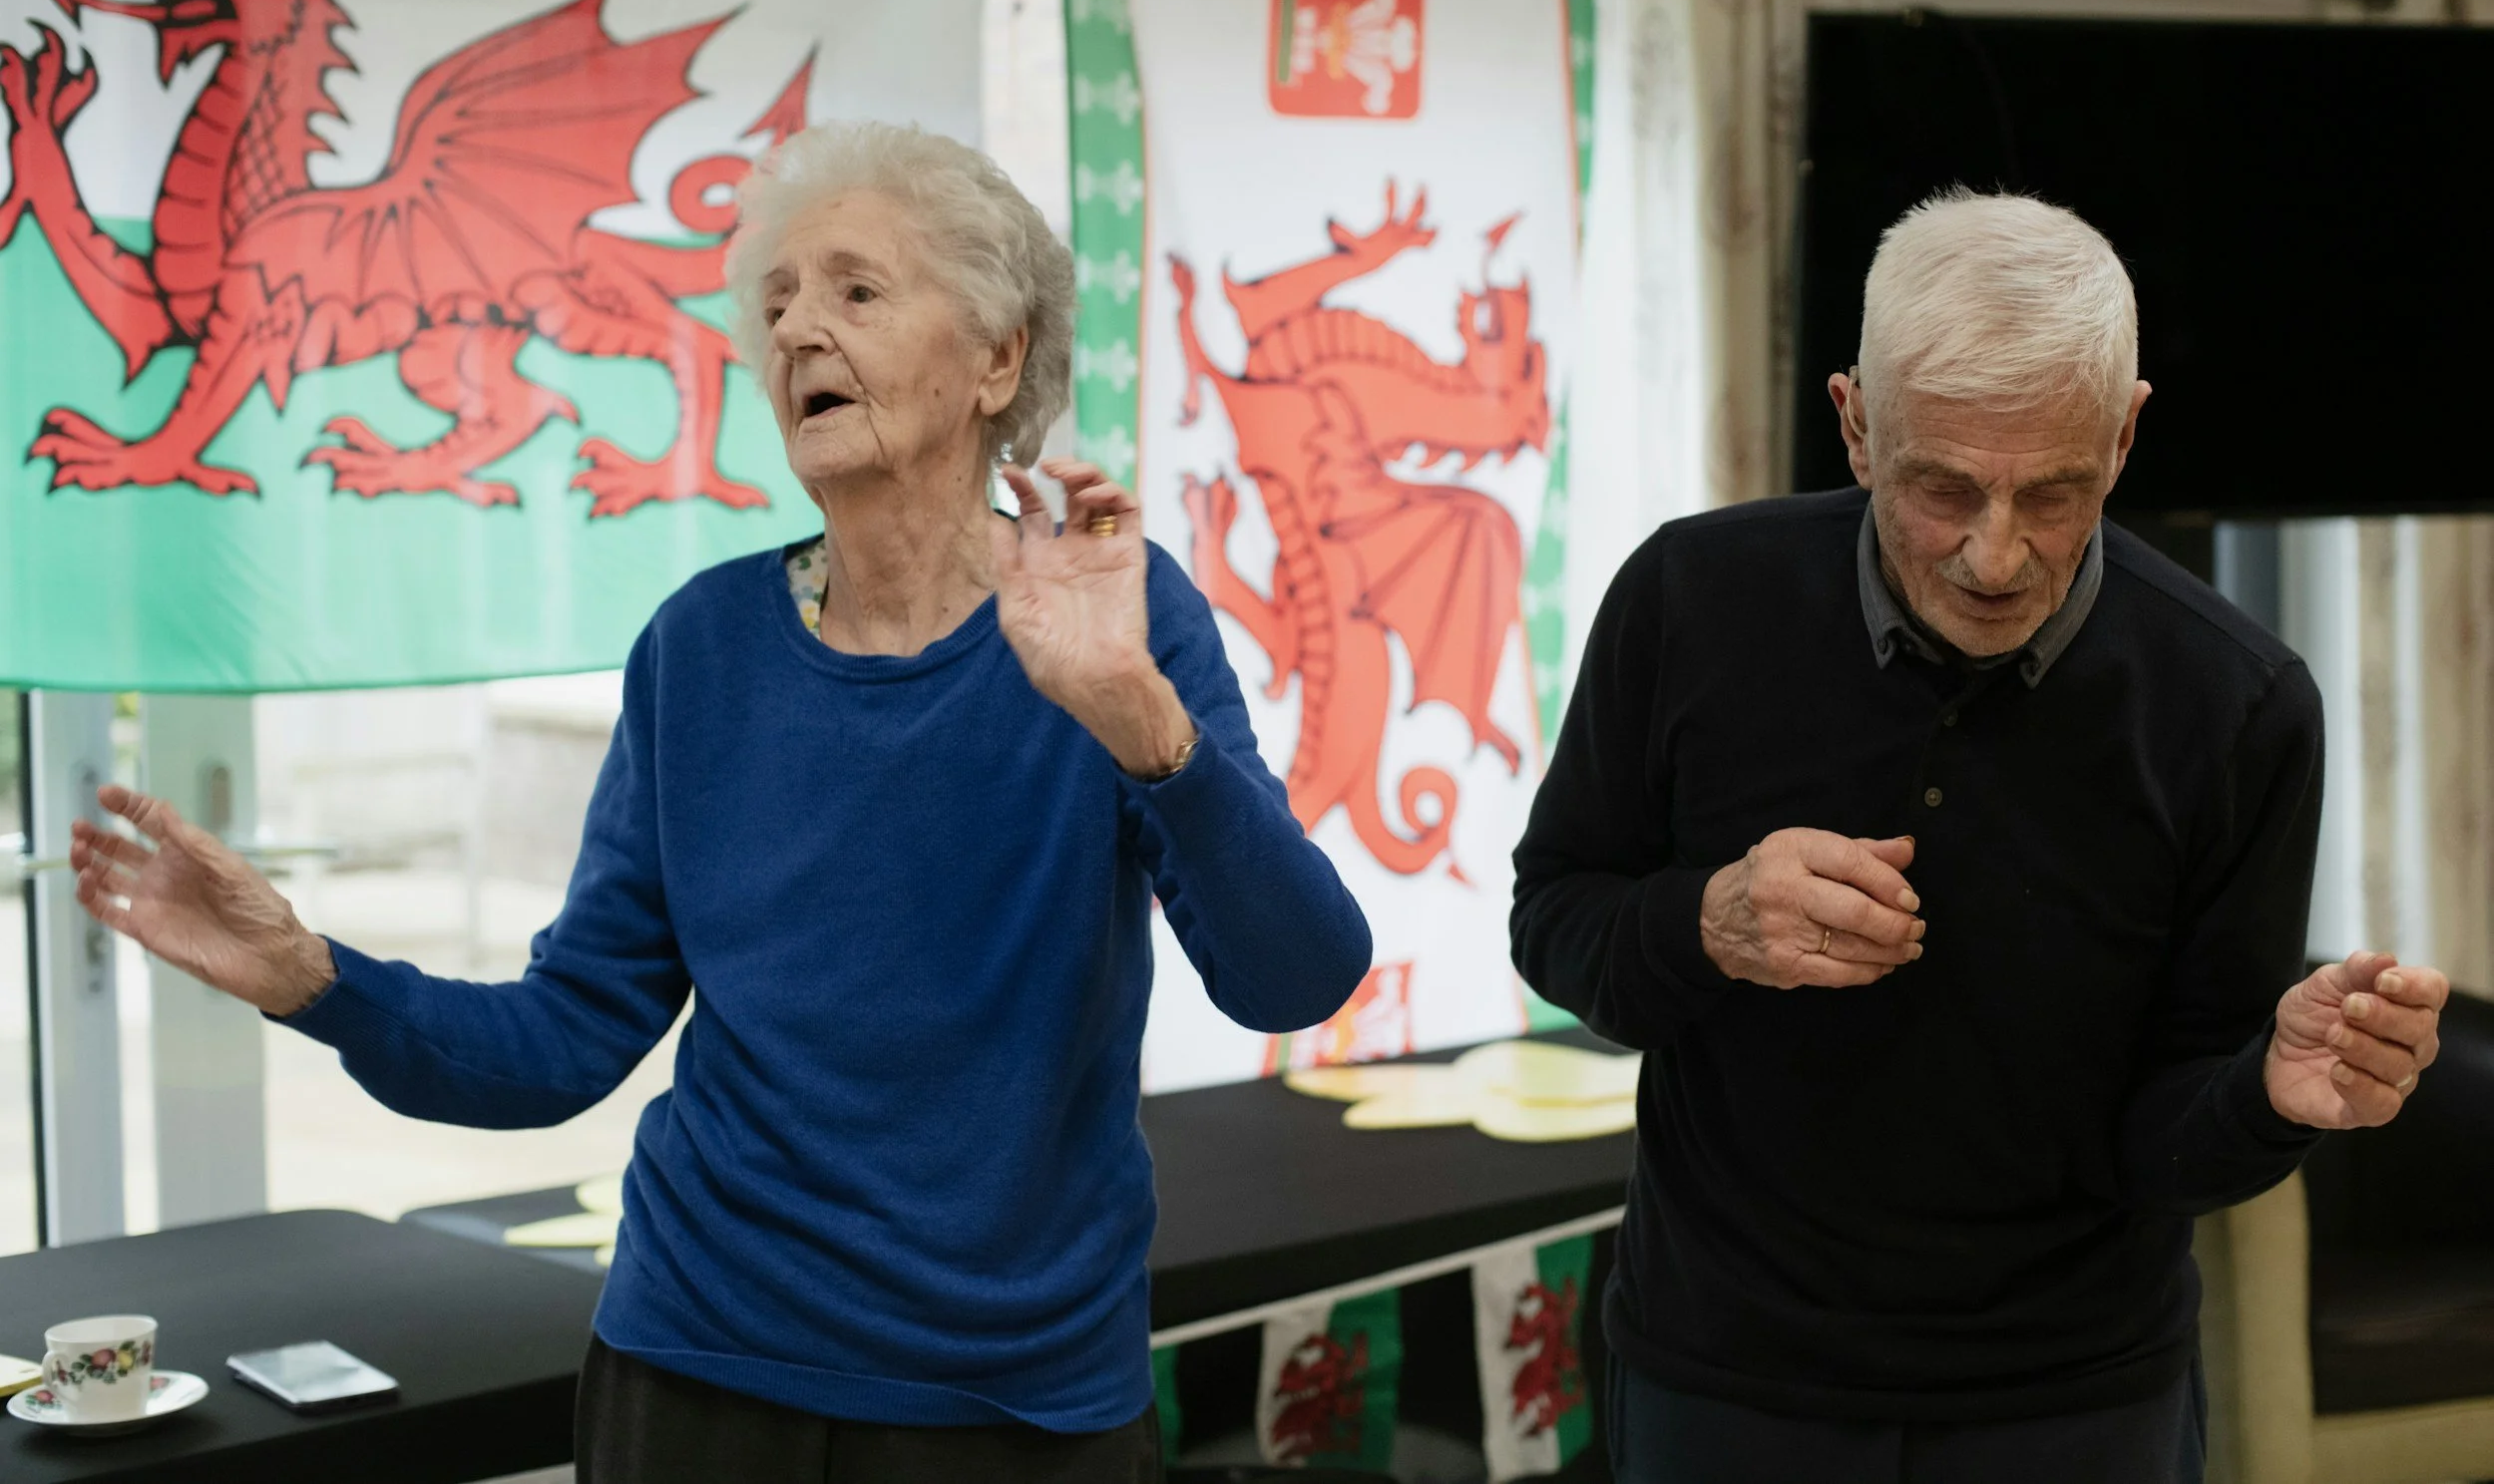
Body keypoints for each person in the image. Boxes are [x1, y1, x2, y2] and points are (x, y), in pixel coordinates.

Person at [70, 121, 1374, 1484]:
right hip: (694, 1368)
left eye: (858, 290)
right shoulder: (701, 647)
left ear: (999, 357)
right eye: (778, 302)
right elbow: (567, 1035)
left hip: (1016, 1399)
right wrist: (315, 976)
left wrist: (1134, 715)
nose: (800, 327)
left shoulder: (1121, 617)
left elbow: (1298, 976)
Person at [1511, 189, 2450, 1484]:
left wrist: (2268, 1095)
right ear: (1853, 423)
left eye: (2054, 493)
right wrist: (1709, 920)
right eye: (1942, 488)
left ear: (2124, 436)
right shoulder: (1689, 601)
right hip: (1730, 1378)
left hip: (2076, 1405)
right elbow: (1556, 921)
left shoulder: (2237, 703)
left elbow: (2168, 1132)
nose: (1996, 557)